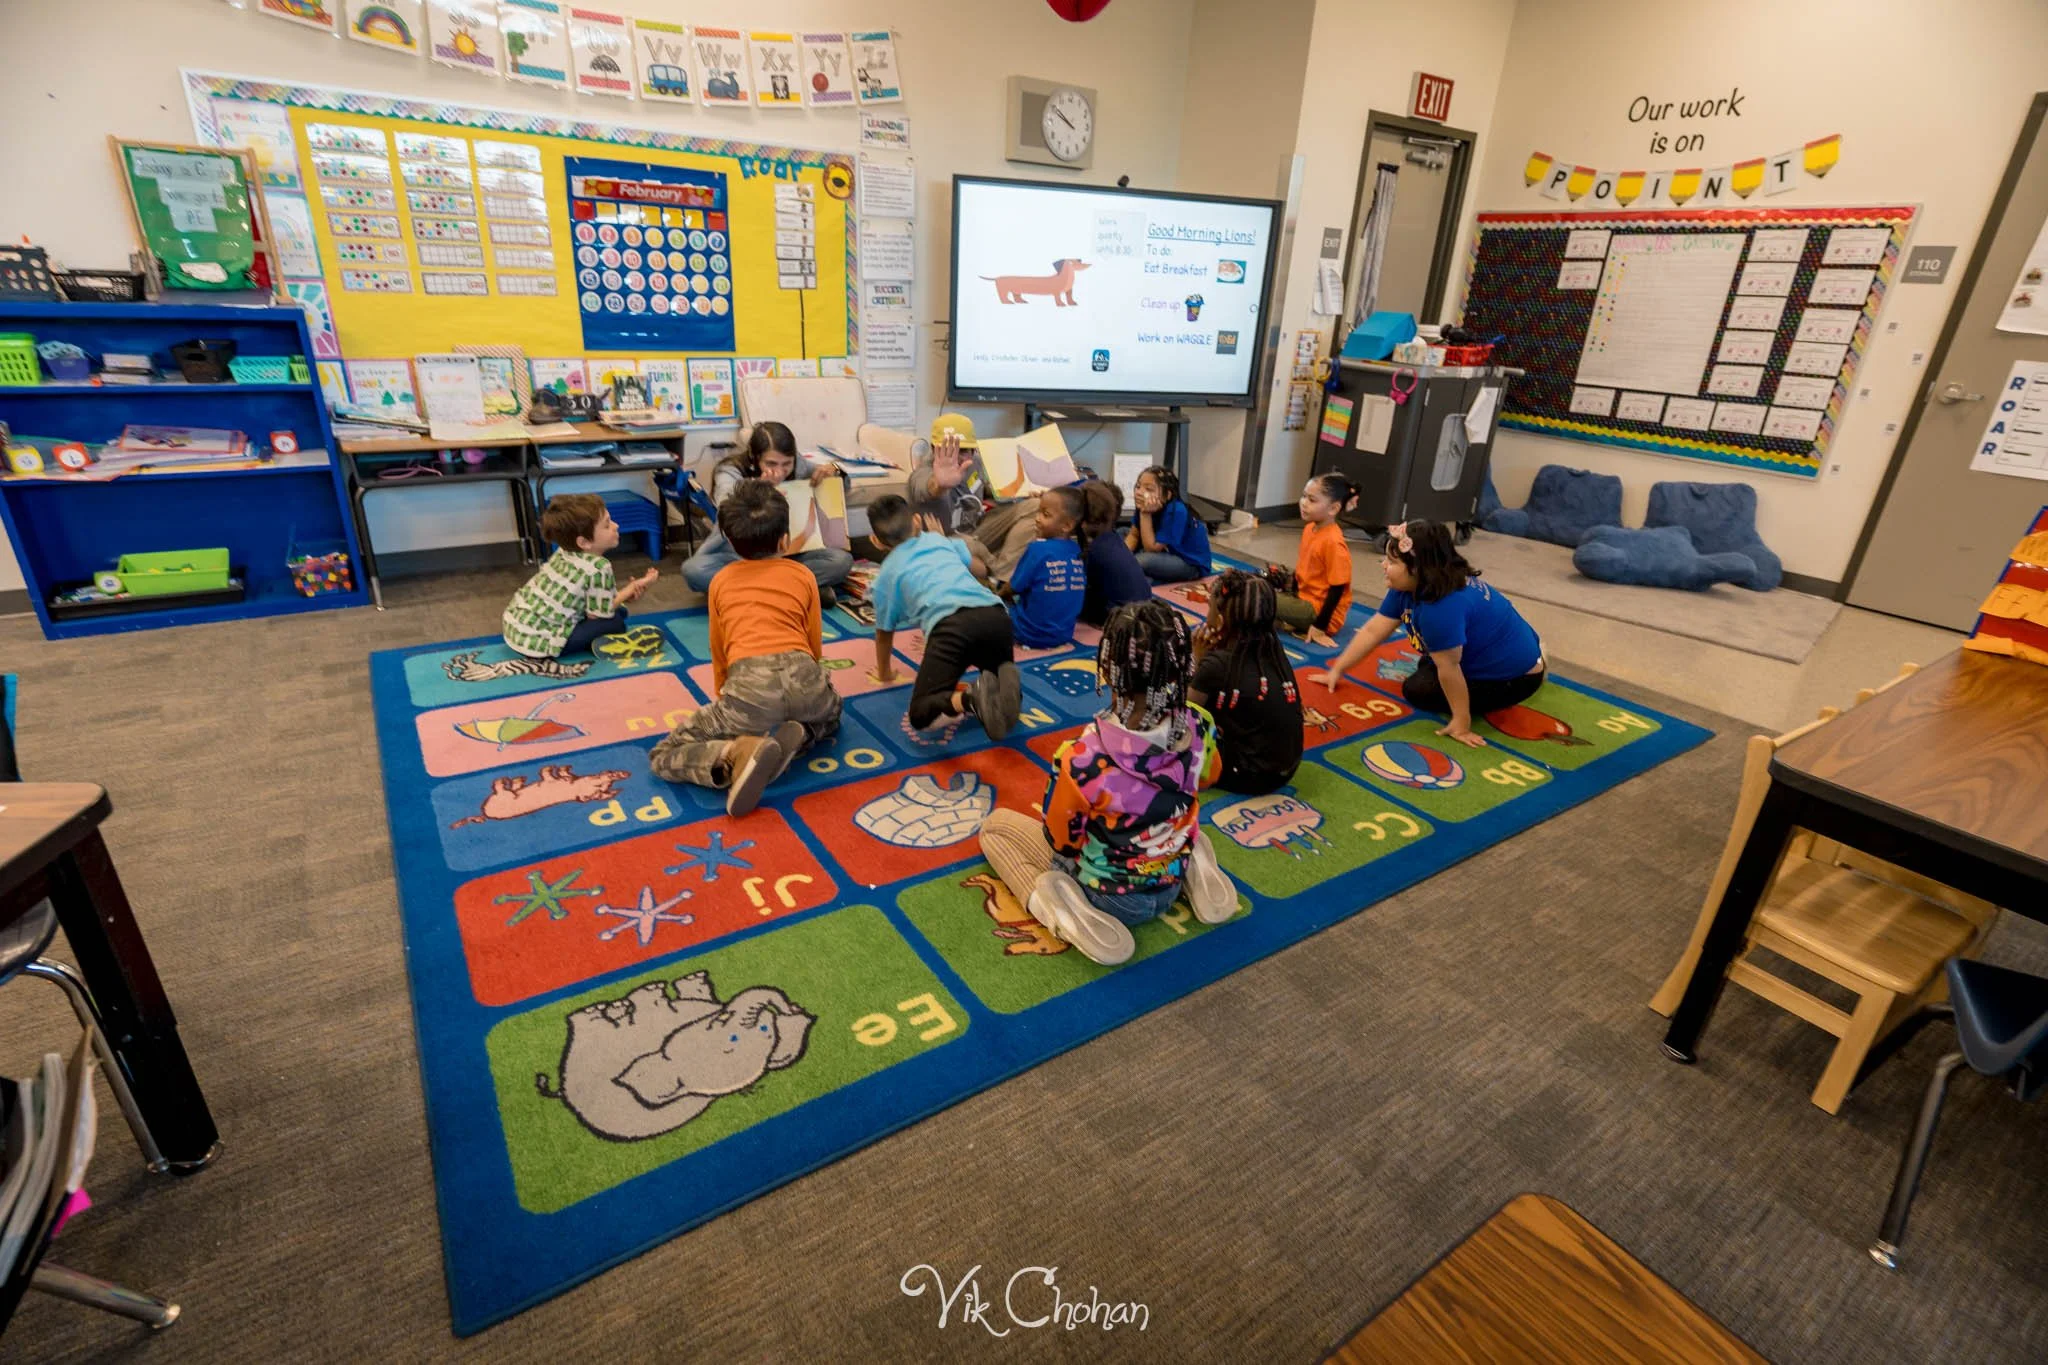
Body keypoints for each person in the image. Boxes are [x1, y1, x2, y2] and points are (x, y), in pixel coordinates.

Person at [977, 601, 1234, 966]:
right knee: (1178, 827)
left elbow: (1061, 840)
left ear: (1108, 671)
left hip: (1113, 898)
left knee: (996, 827)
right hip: (1170, 876)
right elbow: (1210, 777)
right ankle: (1190, 866)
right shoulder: (1201, 725)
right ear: (1183, 666)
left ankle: (1063, 911)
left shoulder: (1083, 758)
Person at [649, 480, 842, 816]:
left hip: (750, 691)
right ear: (784, 540)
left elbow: (719, 649)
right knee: (833, 713)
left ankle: (734, 753)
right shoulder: (803, 575)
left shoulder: (720, 581)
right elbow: (813, 643)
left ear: (731, 543)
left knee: (663, 754)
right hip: (806, 678)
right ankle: (799, 737)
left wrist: (724, 698)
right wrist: (813, 682)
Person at [1316, 520, 1546, 748]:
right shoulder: (1412, 585)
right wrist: (1338, 669)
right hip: (1504, 651)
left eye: (1392, 561)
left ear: (1417, 568)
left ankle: (1491, 693)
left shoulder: (1440, 607)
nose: (1383, 565)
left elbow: (1449, 668)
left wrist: (1461, 720)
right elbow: (1373, 630)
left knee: (1418, 689)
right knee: (1431, 662)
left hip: (1517, 678)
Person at [866, 494, 1023, 738]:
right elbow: (980, 568)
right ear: (917, 521)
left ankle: (971, 698)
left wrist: (884, 673)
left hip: (952, 628)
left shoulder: (886, 575)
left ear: (875, 541)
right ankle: (1003, 684)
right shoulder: (940, 541)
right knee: (996, 679)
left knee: (920, 714)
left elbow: (884, 632)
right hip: (996, 617)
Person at [680, 420, 852, 595]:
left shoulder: (799, 465)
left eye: (787, 464)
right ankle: (795, 588)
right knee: (694, 570)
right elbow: (726, 504)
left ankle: (755, 591)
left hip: (788, 552)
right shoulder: (729, 471)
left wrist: (837, 471)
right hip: (740, 555)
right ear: (755, 459)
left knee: (841, 561)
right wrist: (759, 488)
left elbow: (840, 485)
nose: (780, 471)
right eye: (771, 464)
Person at [502, 492, 658, 660]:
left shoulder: (564, 551)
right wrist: (630, 589)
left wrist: (623, 597)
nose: (616, 526)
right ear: (584, 542)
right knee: (615, 622)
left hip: (514, 628)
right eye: (607, 525)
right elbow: (597, 615)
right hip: (539, 643)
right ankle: (609, 645)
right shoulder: (599, 567)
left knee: (619, 610)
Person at [1190, 570, 1303, 793]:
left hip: (1248, 774)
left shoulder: (1217, 664)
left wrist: (1197, 661)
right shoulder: (1274, 651)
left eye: (1209, 608)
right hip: (1286, 769)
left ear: (1221, 620)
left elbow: (1183, 713)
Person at [907, 413, 1042, 581]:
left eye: (963, 450)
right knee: (967, 544)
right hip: (947, 540)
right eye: (948, 450)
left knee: (1037, 506)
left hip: (978, 529)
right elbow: (926, 488)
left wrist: (1024, 491)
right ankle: (997, 575)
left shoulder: (975, 462)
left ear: (973, 450)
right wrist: (940, 484)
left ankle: (1000, 574)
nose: (956, 457)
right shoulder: (922, 475)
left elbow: (982, 488)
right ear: (934, 450)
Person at [1273, 472, 1360, 647]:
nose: (1304, 503)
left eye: (1312, 500)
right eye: (1304, 496)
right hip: (1304, 599)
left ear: (1333, 509)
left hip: (1319, 613)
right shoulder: (1310, 529)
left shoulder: (1334, 542)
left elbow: (1337, 589)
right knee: (1259, 586)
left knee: (1259, 597)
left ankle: (1291, 619)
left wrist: (1320, 626)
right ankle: (1287, 618)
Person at [1003, 484, 1086, 649]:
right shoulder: (1076, 551)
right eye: (1038, 512)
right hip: (1063, 635)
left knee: (990, 604)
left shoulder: (1037, 549)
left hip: (1028, 633)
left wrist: (997, 595)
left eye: (1045, 515)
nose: (1037, 518)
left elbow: (1012, 588)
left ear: (1067, 525)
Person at [1077, 479, 1151, 627]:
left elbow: (1080, 584)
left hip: (1121, 615)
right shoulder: (1114, 538)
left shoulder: (1094, 550)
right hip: (1144, 607)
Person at [1127, 464, 1212, 583]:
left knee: (1142, 561)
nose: (1139, 492)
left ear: (1167, 495)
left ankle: (1141, 574)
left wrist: (1145, 514)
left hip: (1188, 562)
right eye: (1138, 486)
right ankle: (1143, 574)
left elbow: (1151, 549)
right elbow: (1134, 535)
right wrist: (1122, 555)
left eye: (1149, 489)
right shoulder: (1144, 502)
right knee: (1121, 533)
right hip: (1161, 550)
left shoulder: (1177, 510)